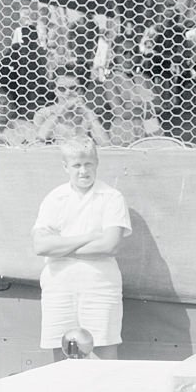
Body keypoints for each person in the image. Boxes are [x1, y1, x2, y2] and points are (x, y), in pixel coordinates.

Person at [32, 137, 132, 360]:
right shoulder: (54, 198)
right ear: (65, 166)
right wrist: (88, 237)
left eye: (88, 164)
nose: (83, 171)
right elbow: (40, 245)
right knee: (61, 353)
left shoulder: (112, 197)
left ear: (97, 163)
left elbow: (110, 245)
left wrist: (60, 246)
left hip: (99, 285)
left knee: (104, 351)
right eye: (76, 165)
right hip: (59, 285)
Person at [33, 69, 110, 145]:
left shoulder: (87, 116)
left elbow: (107, 146)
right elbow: (39, 140)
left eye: (73, 88)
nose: (67, 93)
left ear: (82, 90)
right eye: (62, 89)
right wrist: (60, 112)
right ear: (55, 90)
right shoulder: (43, 114)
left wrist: (88, 113)